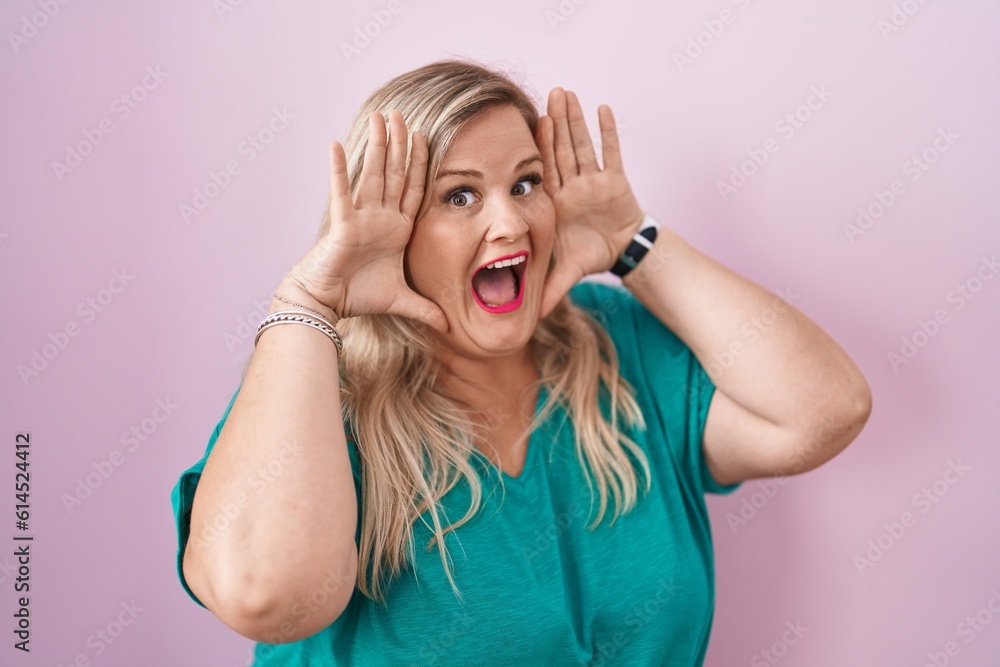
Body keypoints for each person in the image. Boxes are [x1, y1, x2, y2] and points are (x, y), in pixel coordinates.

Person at [171, 58, 872, 666]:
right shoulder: (321, 396)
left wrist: (632, 242)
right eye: (460, 195)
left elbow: (822, 411)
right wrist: (310, 299)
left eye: (527, 183)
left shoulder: (617, 343)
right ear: (389, 226)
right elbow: (268, 597)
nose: (509, 223)